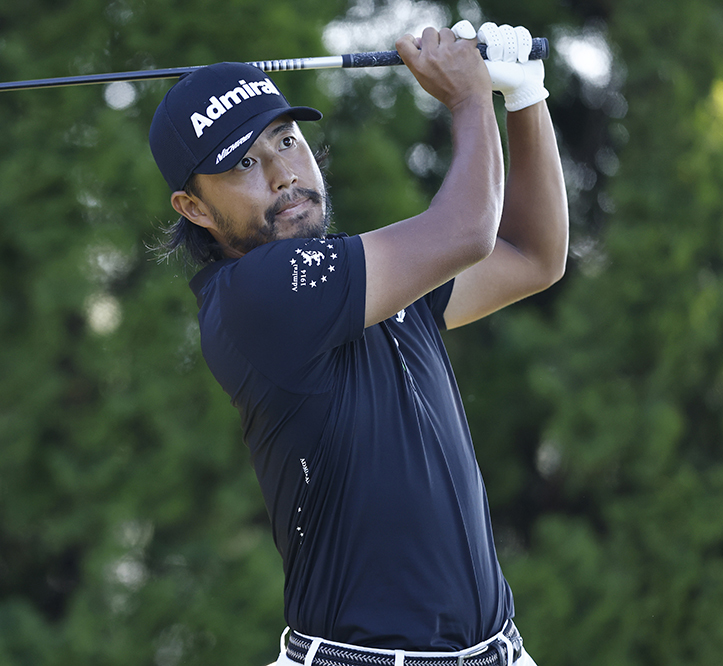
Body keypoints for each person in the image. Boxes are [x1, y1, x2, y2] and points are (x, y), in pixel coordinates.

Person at [148, 20, 566, 666]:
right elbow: (467, 231)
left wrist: (526, 98)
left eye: (286, 140)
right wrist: (468, 98)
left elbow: (531, 255)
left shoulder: (365, 277)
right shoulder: (254, 295)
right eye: (243, 163)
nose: (283, 174)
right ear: (194, 208)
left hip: (500, 651)